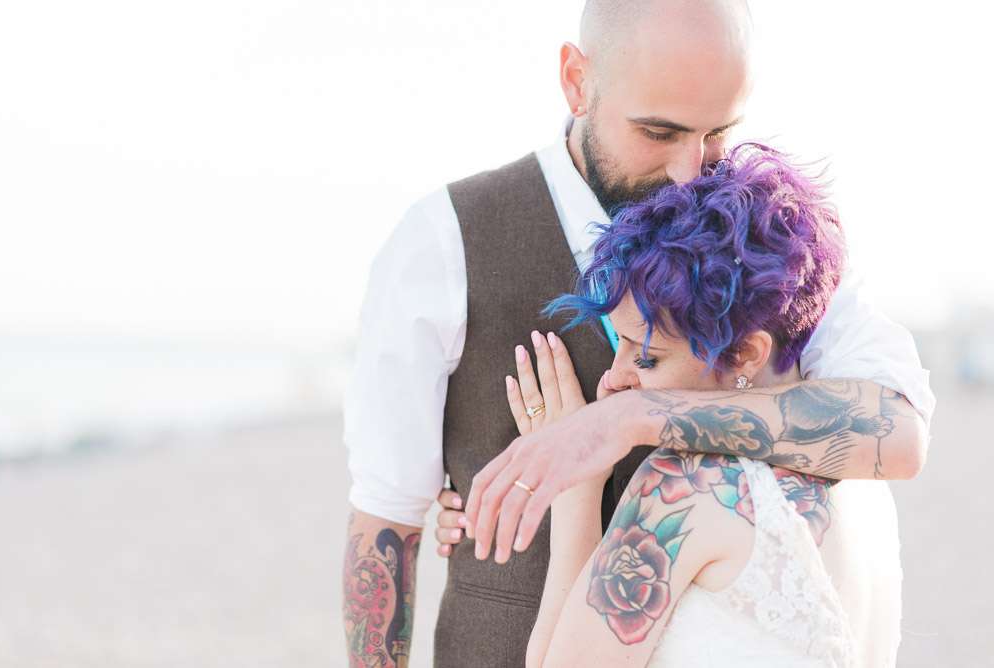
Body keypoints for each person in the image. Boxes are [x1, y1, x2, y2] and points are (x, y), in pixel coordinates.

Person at [344, 2, 934, 666]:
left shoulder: (777, 252)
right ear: (577, 82)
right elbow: (386, 521)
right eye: (659, 132)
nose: (690, 170)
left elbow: (895, 432)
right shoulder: (442, 241)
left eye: (718, 133)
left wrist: (626, 420)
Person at [502, 144, 900, 666]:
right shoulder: (865, 473)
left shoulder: (685, 486)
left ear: (745, 354)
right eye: (619, 343)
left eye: (647, 357)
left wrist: (577, 494)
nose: (613, 378)